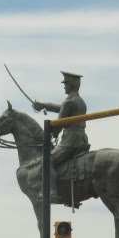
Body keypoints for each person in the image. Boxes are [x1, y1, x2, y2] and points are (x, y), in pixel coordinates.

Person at [33, 71, 90, 203]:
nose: (64, 86)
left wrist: (51, 131)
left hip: (70, 141)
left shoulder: (69, 101)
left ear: (70, 85)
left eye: (65, 84)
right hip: (81, 139)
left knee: (47, 161)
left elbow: (60, 122)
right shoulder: (79, 101)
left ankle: (51, 192)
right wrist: (44, 105)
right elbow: (63, 109)